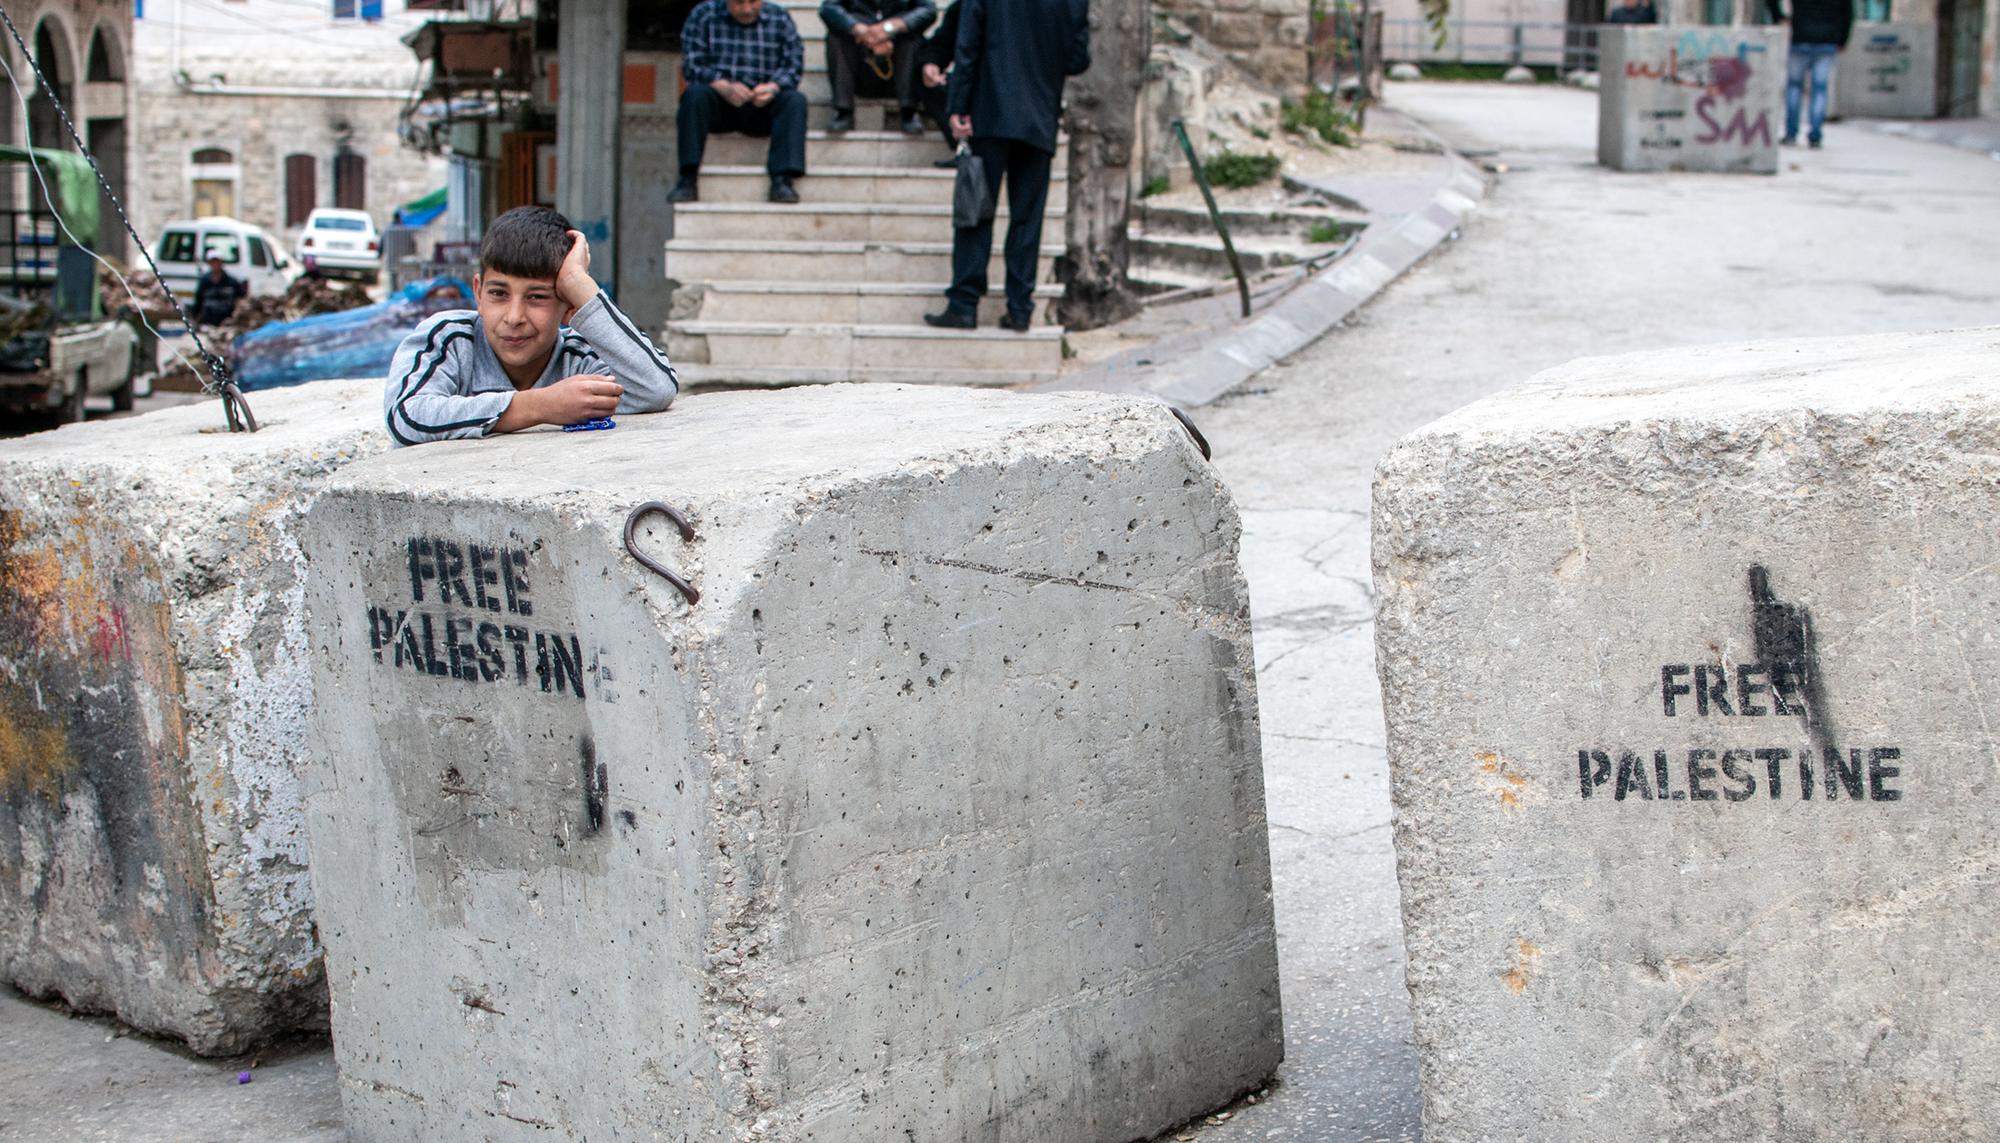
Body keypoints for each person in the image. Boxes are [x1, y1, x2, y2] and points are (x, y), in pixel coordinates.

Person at [383, 206, 678, 447]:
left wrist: (579, 283)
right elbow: (407, 417)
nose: (514, 317)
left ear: (565, 302)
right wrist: (539, 406)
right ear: (478, 293)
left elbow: (655, 389)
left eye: (537, 297)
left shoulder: (579, 358)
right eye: (498, 293)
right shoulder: (450, 339)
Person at [924, 0, 1089, 333]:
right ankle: (1020, 309)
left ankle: (964, 304)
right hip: (1039, 116)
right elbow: (1078, 59)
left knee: (976, 210)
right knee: (1027, 218)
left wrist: (957, 105)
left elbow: (968, 45)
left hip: (989, 110)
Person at [670, 0, 809, 204]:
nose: (746, 9)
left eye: (753, 2)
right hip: (720, 104)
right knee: (694, 95)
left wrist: (773, 87)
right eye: (738, 3)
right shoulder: (703, 15)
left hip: (761, 106)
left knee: (794, 101)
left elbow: (793, 65)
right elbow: (692, 64)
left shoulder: (780, 18)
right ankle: (688, 178)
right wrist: (721, 84)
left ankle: (782, 180)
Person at [820, 0, 937, 135]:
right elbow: (829, 8)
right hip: (860, 59)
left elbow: (928, 10)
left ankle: (909, 110)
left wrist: (890, 29)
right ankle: (843, 109)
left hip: (899, 58)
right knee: (836, 37)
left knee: (912, 40)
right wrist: (859, 29)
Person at [1766, 0, 1853, 148]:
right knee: (1819, 89)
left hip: (1800, 39)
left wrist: (1779, 17)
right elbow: (1848, 13)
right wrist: (1843, 40)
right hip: (1827, 41)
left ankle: (1791, 133)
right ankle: (1815, 135)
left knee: (1794, 87)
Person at [916, 1, 961, 162]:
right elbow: (942, 43)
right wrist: (931, 63)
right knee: (928, 79)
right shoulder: (964, 7)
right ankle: (963, 148)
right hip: (971, 83)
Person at [191, 254, 247, 328]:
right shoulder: (205, 281)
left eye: (217, 262)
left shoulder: (231, 281)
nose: (215, 265)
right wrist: (196, 320)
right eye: (213, 262)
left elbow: (241, 298)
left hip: (226, 320)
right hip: (208, 320)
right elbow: (198, 301)